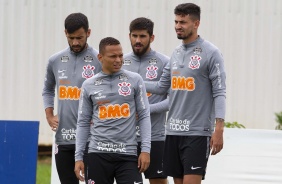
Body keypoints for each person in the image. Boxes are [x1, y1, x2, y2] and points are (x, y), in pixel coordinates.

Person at [144, 3, 226, 184]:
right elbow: (160, 87)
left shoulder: (211, 52)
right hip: (172, 131)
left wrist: (218, 127)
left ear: (196, 24)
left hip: (197, 132)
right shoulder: (176, 53)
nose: (178, 26)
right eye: (176, 21)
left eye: (183, 22)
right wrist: (132, 80)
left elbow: (220, 91)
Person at [74, 37, 151, 184]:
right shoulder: (88, 85)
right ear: (100, 57)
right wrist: (78, 157)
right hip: (98, 154)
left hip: (127, 154)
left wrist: (146, 150)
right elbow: (83, 123)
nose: (118, 60)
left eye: (120, 55)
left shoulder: (135, 80)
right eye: (113, 56)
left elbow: (144, 116)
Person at [42, 13, 102, 184]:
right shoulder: (55, 60)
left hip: (92, 138)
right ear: (65, 33)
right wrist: (49, 115)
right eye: (71, 38)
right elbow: (47, 89)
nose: (75, 42)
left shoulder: (99, 60)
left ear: (88, 33)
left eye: (80, 38)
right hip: (64, 137)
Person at [122, 17, 169, 184]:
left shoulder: (165, 62)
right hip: (125, 138)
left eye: (142, 36)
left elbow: (173, 101)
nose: (137, 40)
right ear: (129, 36)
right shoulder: (120, 62)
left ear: (152, 37)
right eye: (134, 36)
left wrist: (145, 110)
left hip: (155, 137)